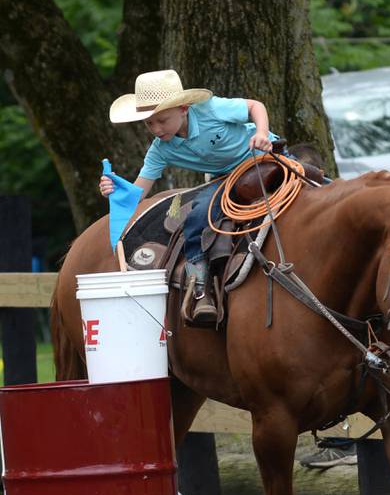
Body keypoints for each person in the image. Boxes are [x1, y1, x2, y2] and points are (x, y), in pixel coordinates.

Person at [100, 69, 275, 324]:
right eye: (149, 123)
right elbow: (138, 192)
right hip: (226, 179)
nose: (156, 129)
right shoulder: (160, 150)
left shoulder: (210, 110)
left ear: (183, 108)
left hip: (264, 157)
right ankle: (200, 284)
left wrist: (261, 132)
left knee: (316, 184)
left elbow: (253, 106)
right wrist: (114, 190)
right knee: (197, 216)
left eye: (162, 120)